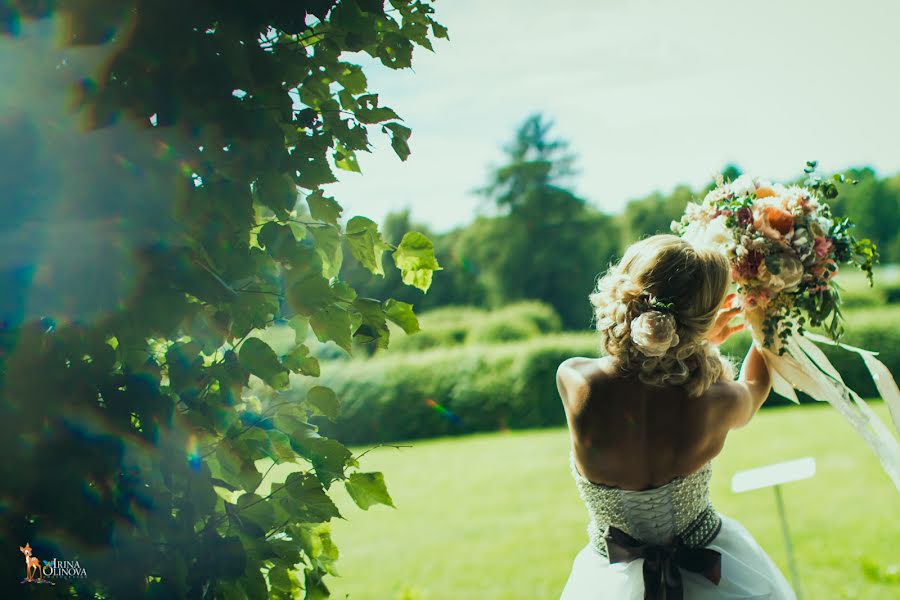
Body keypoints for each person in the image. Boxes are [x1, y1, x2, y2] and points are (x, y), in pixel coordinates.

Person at [557, 234, 796, 599]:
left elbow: (643, 379)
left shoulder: (575, 380)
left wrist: (693, 341)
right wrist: (765, 320)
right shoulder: (719, 400)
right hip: (714, 574)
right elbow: (755, 385)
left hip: (608, 578)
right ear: (702, 322)